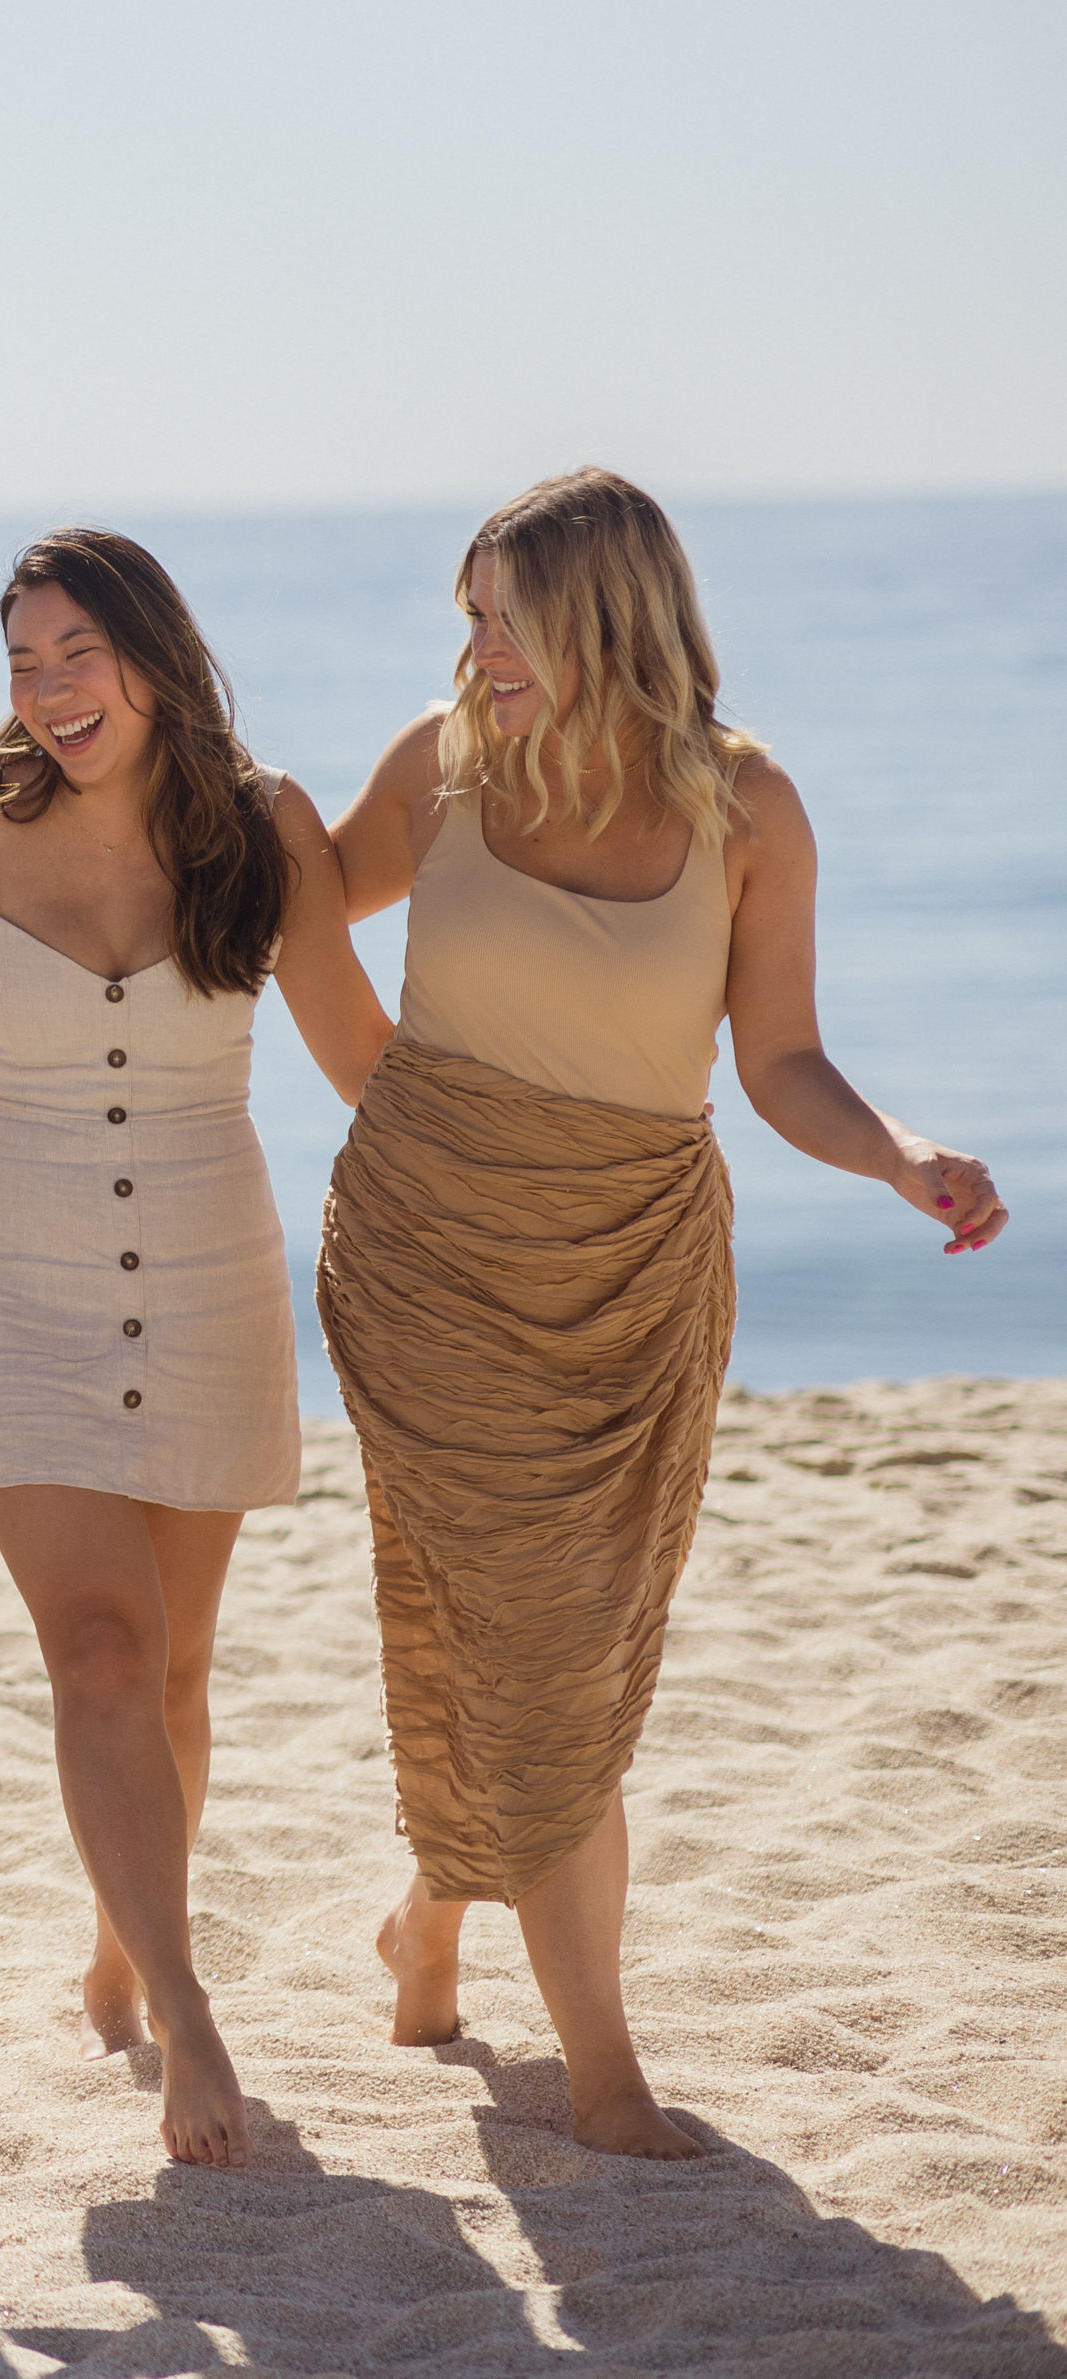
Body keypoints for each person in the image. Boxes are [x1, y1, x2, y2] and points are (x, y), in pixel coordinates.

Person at [321, 468, 1006, 2158]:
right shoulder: (444, 764)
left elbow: (777, 1060)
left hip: (627, 1274)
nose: (475, 648)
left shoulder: (744, 806)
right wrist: (381, 1103)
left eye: (503, 618)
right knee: (523, 1632)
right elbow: (288, 900)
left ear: (603, 616)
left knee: (541, 1637)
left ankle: (430, 1920)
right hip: (431, 1258)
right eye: (465, 616)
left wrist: (899, 1153)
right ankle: (603, 2071)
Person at [0, 528, 388, 2169]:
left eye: (76, 655)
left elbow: (361, 1055)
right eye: (22, 664)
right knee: (103, 1655)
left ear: (153, 654)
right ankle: (190, 2016)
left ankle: (131, 1935)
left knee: (180, 1672)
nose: (49, 693)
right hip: (13, 1282)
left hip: (208, 1272)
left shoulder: (268, 830)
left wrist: (534, 1181)